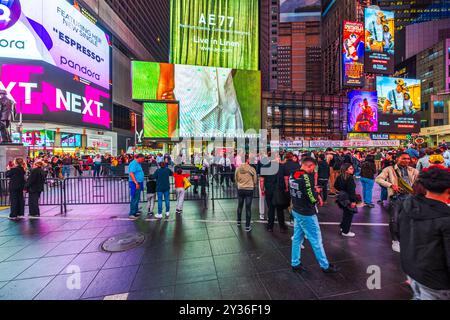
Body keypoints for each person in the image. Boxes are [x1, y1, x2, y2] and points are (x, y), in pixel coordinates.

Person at [398, 167, 450, 300]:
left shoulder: (408, 205)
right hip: (436, 280)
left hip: (412, 269)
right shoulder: (444, 218)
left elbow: (399, 234)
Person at [289, 157, 339, 274]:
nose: (313, 170)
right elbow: (311, 197)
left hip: (296, 209)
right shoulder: (306, 177)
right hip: (306, 213)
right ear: (310, 166)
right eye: (313, 168)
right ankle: (325, 266)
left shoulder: (294, 174)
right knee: (316, 239)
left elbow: (300, 189)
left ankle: (295, 263)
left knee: (297, 238)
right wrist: (317, 196)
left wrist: (311, 189)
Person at [376, 152, 419, 252]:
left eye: (408, 159)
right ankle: (395, 241)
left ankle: (405, 238)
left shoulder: (413, 170)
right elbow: (378, 179)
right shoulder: (389, 169)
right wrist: (391, 185)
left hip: (409, 198)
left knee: (408, 219)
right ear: (397, 159)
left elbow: (419, 181)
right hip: (396, 198)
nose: (407, 161)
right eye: (403, 158)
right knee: (394, 220)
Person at [260, 154, 288, 233]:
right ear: (277, 158)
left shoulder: (265, 166)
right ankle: (282, 227)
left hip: (269, 191)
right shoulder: (282, 167)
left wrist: (262, 189)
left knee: (271, 209)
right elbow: (286, 179)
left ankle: (270, 227)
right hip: (280, 190)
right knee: (280, 209)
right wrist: (286, 187)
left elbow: (262, 180)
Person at [235, 155, 257, 232]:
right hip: (249, 189)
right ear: (247, 160)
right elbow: (255, 180)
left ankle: (238, 221)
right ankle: (247, 226)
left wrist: (240, 184)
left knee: (240, 205)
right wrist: (253, 185)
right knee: (248, 208)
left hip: (241, 188)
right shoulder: (252, 169)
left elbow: (236, 179)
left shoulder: (238, 169)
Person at [335, 163, 358, 237]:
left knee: (346, 214)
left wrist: (342, 190)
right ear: (346, 170)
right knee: (349, 215)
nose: (353, 169)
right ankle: (345, 231)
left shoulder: (339, 177)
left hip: (342, 198)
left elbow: (336, 186)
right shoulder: (350, 178)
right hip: (348, 198)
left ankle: (343, 227)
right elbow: (352, 191)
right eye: (350, 168)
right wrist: (353, 201)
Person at [128, 154, 145, 218]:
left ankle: (135, 211)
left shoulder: (137, 163)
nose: (143, 160)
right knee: (134, 197)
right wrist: (136, 183)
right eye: (142, 159)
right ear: (139, 158)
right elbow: (131, 173)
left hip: (138, 182)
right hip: (135, 183)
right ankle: (132, 213)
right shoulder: (134, 163)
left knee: (137, 197)